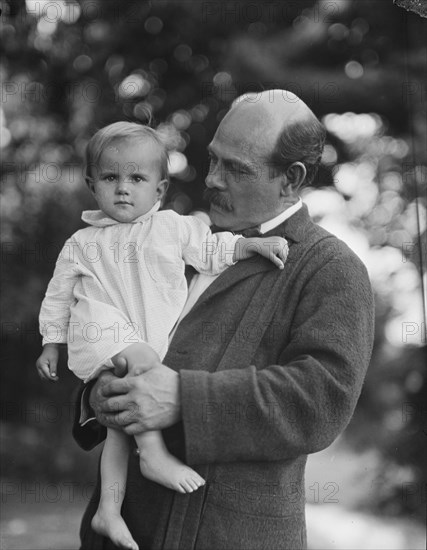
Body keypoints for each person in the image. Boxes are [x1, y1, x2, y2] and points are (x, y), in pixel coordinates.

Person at [74, 90, 375, 550]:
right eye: (213, 160)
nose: (212, 179)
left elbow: (320, 400)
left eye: (235, 168)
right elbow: (106, 327)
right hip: (121, 533)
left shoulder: (331, 268)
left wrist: (183, 400)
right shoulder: (177, 240)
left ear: (290, 179)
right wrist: (99, 394)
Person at [36, 122, 289, 550]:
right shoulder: (81, 243)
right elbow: (59, 294)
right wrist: (51, 343)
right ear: (91, 184)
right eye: (110, 178)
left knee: (120, 425)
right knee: (144, 368)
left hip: (144, 338)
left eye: (137, 178)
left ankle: (108, 511)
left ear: (159, 189)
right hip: (102, 329)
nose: (122, 189)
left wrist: (248, 247)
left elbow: (210, 250)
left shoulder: (173, 228)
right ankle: (153, 456)